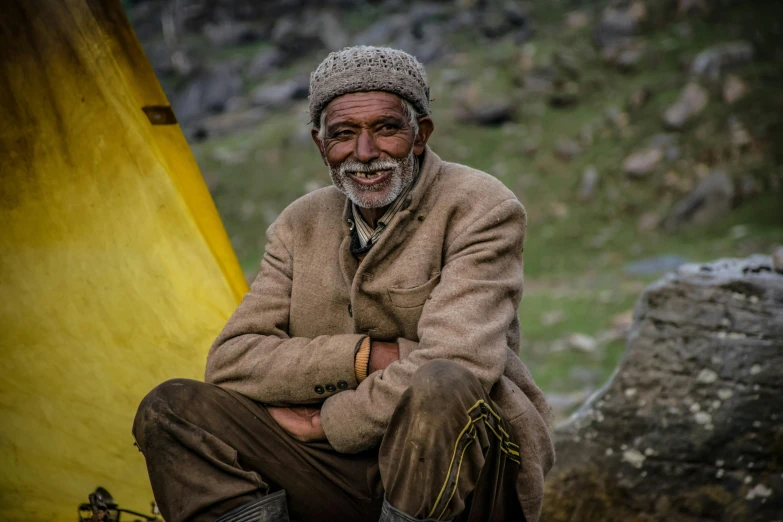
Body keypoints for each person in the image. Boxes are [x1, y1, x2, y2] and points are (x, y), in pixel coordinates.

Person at [133, 46, 554, 522]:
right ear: (320, 145)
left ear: (421, 136)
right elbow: (232, 360)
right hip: (336, 472)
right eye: (344, 135)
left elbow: (459, 361)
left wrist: (330, 421)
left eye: (387, 129)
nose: (365, 154)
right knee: (172, 408)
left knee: (441, 385)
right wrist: (365, 358)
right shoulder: (299, 224)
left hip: (466, 466)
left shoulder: (480, 207)